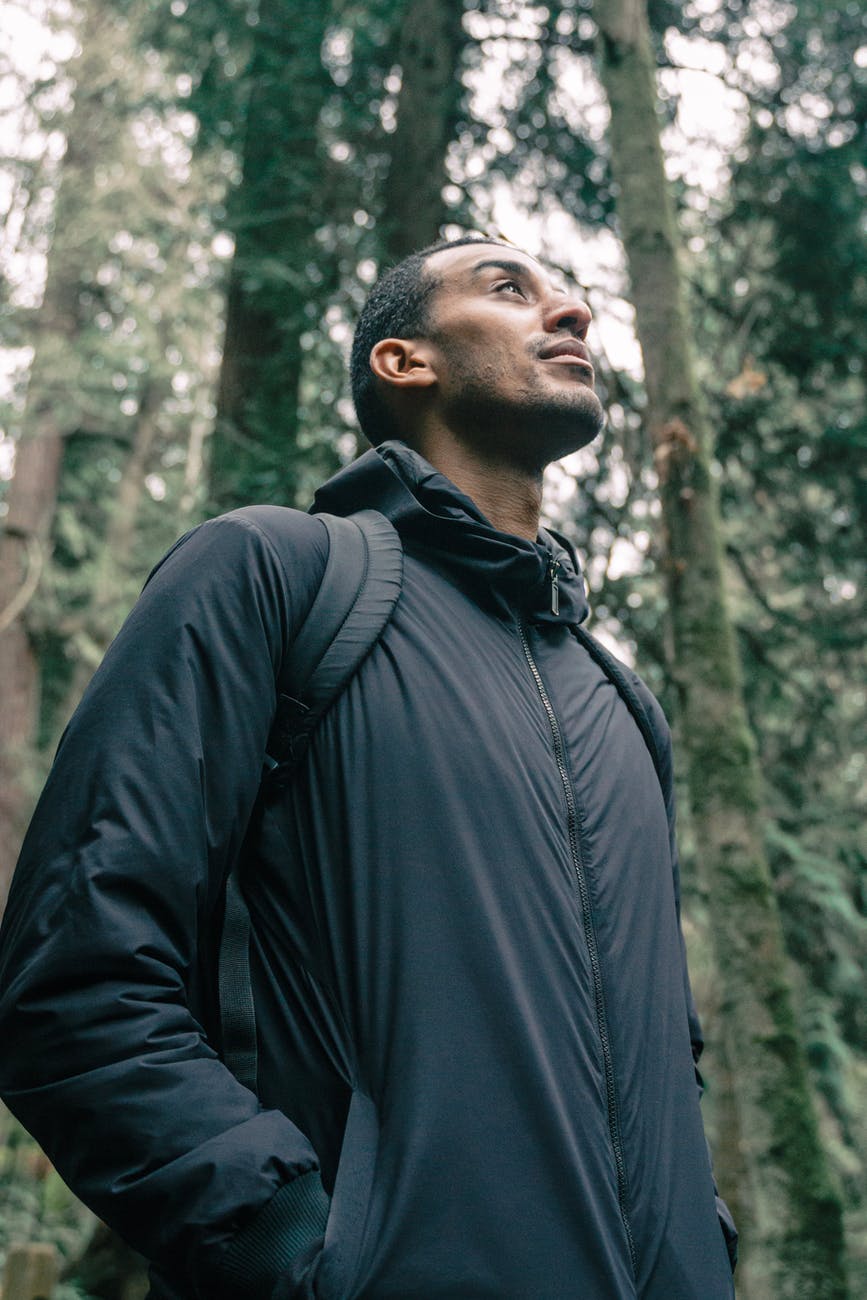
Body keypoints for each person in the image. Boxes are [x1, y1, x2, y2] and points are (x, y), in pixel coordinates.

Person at [0, 237, 737, 1299]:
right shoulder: (273, 576)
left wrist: (699, 1246)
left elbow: (671, 1057)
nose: (570, 310)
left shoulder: (623, 702)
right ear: (404, 360)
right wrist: (301, 1249)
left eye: (568, 294)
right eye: (507, 288)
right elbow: (77, 978)